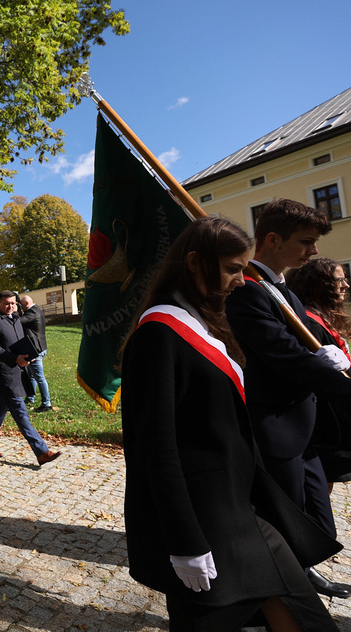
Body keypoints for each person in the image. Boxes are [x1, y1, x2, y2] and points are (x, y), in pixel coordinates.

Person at [122, 215, 339, 631]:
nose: (241, 280)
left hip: (243, 509)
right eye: (232, 268)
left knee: (307, 618)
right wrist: (184, 540)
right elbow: (155, 447)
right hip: (205, 522)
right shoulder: (159, 333)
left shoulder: (208, 321)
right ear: (193, 262)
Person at [225, 198, 351, 598]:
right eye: (306, 242)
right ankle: (279, 596)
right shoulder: (247, 291)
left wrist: (326, 357)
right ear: (273, 240)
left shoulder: (283, 291)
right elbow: (283, 354)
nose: (313, 250)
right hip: (276, 427)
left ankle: (299, 573)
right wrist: (333, 375)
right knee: (284, 519)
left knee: (319, 525)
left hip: (305, 430)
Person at [285, 257, 351, 486]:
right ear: (318, 284)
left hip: (338, 414)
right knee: (324, 481)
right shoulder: (309, 324)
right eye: (339, 280)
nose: (346, 285)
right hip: (326, 423)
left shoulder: (322, 316)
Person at [0, 291, 61, 465]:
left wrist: (29, 354)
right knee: (21, 412)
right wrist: (14, 358)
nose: (10, 306)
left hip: (18, 371)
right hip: (4, 374)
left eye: (13, 303)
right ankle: (42, 452)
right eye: (6, 303)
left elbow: (21, 340)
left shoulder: (16, 318)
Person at [18, 295, 55, 413]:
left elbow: (19, 322)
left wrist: (15, 313)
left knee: (39, 377)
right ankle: (30, 398)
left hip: (35, 349)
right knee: (32, 376)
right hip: (38, 347)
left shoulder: (32, 312)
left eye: (21, 305)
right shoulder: (36, 310)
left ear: (26, 303)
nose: (20, 307)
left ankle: (46, 403)